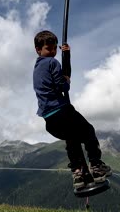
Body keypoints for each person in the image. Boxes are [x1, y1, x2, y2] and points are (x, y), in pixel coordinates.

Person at [33, 30, 112, 190]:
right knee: (88, 131)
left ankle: (78, 174)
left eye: (55, 48)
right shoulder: (52, 63)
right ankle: (96, 167)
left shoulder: (37, 68)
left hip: (49, 118)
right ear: (38, 49)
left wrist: (66, 55)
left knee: (72, 140)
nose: (53, 52)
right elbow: (63, 85)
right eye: (49, 49)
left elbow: (57, 79)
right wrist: (66, 81)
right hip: (62, 111)